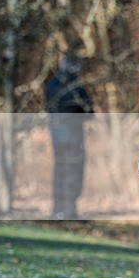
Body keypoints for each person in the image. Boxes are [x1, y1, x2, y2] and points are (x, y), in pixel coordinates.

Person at [45, 52, 94, 220]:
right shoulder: (76, 88)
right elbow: (89, 112)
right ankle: (68, 210)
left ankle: (58, 209)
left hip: (57, 137)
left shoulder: (51, 85)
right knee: (73, 172)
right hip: (73, 137)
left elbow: (50, 108)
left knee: (59, 171)